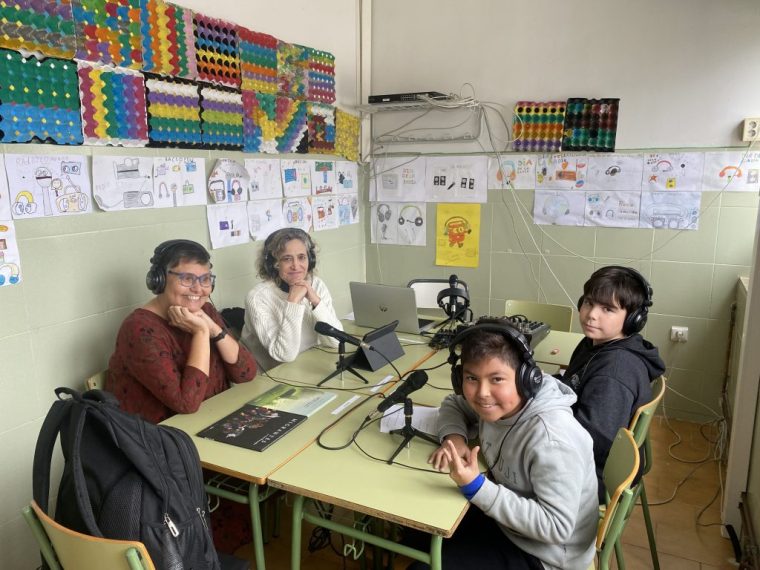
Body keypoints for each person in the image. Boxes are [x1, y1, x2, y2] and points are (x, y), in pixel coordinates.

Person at [421, 318, 598, 570]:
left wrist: (476, 487)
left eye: (496, 379)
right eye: (471, 378)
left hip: (546, 556)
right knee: (413, 532)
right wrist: (455, 438)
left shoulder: (552, 438)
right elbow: (453, 403)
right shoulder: (496, 405)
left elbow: (556, 527)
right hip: (510, 526)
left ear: (527, 378)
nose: (482, 393)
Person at [107, 239, 257, 424]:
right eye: (187, 278)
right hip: (162, 438)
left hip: (213, 419)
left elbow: (246, 373)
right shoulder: (139, 329)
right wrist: (201, 333)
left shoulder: (205, 312)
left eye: (205, 279)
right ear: (159, 280)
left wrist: (213, 328)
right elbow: (187, 403)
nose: (198, 288)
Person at [559, 265, 665, 503]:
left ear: (633, 319)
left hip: (588, 478)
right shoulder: (595, 344)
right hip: (582, 462)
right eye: (588, 303)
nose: (591, 314)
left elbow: (589, 440)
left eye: (608, 309)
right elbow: (571, 385)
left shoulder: (614, 373)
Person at [240, 227, 342, 370]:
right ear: (273, 264)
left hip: (306, 365)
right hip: (271, 376)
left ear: (310, 260)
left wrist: (316, 302)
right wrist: (293, 302)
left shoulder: (316, 285)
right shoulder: (257, 298)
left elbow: (336, 342)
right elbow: (284, 355)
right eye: (287, 259)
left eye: (302, 257)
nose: (296, 266)